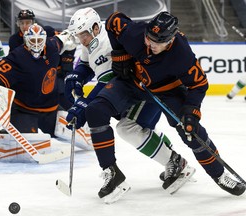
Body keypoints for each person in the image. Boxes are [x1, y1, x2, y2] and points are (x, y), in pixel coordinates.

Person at [85, 10, 246, 199]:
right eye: (148, 38)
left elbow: (199, 84)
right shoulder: (137, 33)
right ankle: (111, 172)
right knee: (95, 111)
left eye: (156, 42)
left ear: (170, 41)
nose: (149, 44)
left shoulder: (182, 54)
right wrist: (121, 55)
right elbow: (113, 21)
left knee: (191, 132)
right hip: (133, 81)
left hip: (167, 89)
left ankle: (219, 174)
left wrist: (191, 112)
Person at [65, 7, 195, 203]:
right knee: (133, 128)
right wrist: (76, 77)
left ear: (94, 28)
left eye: (82, 34)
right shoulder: (90, 40)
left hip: (144, 91)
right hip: (132, 93)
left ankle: (174, 162)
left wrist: (85, 103)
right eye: (78, 36)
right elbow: (85, 64)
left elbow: (110, 79)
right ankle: (174, 160)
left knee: (128, 128)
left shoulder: (107, 41)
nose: (81, 40)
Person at [0, 23, 76, 137]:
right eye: (33, 40)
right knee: (26, 140)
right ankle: (12, 126)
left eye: (39, 40)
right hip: (25, 110)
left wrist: (70, 50)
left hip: (51, 109)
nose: (36, 44)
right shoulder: (18, 56)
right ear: (26, 40)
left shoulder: (52, 46)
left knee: (77, 134)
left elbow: (66, 39)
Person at [8, 9, 74, 113]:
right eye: (22, 23)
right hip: (31, 77)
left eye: (28, 22)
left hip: (52, 74)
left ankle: (76, 117)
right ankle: (13, 120)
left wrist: (66, 63)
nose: (25, 26)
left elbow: (70, 41)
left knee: (62, 96)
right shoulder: (14, 40)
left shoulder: (48, 31)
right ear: (18, 24)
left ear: (33, 22)